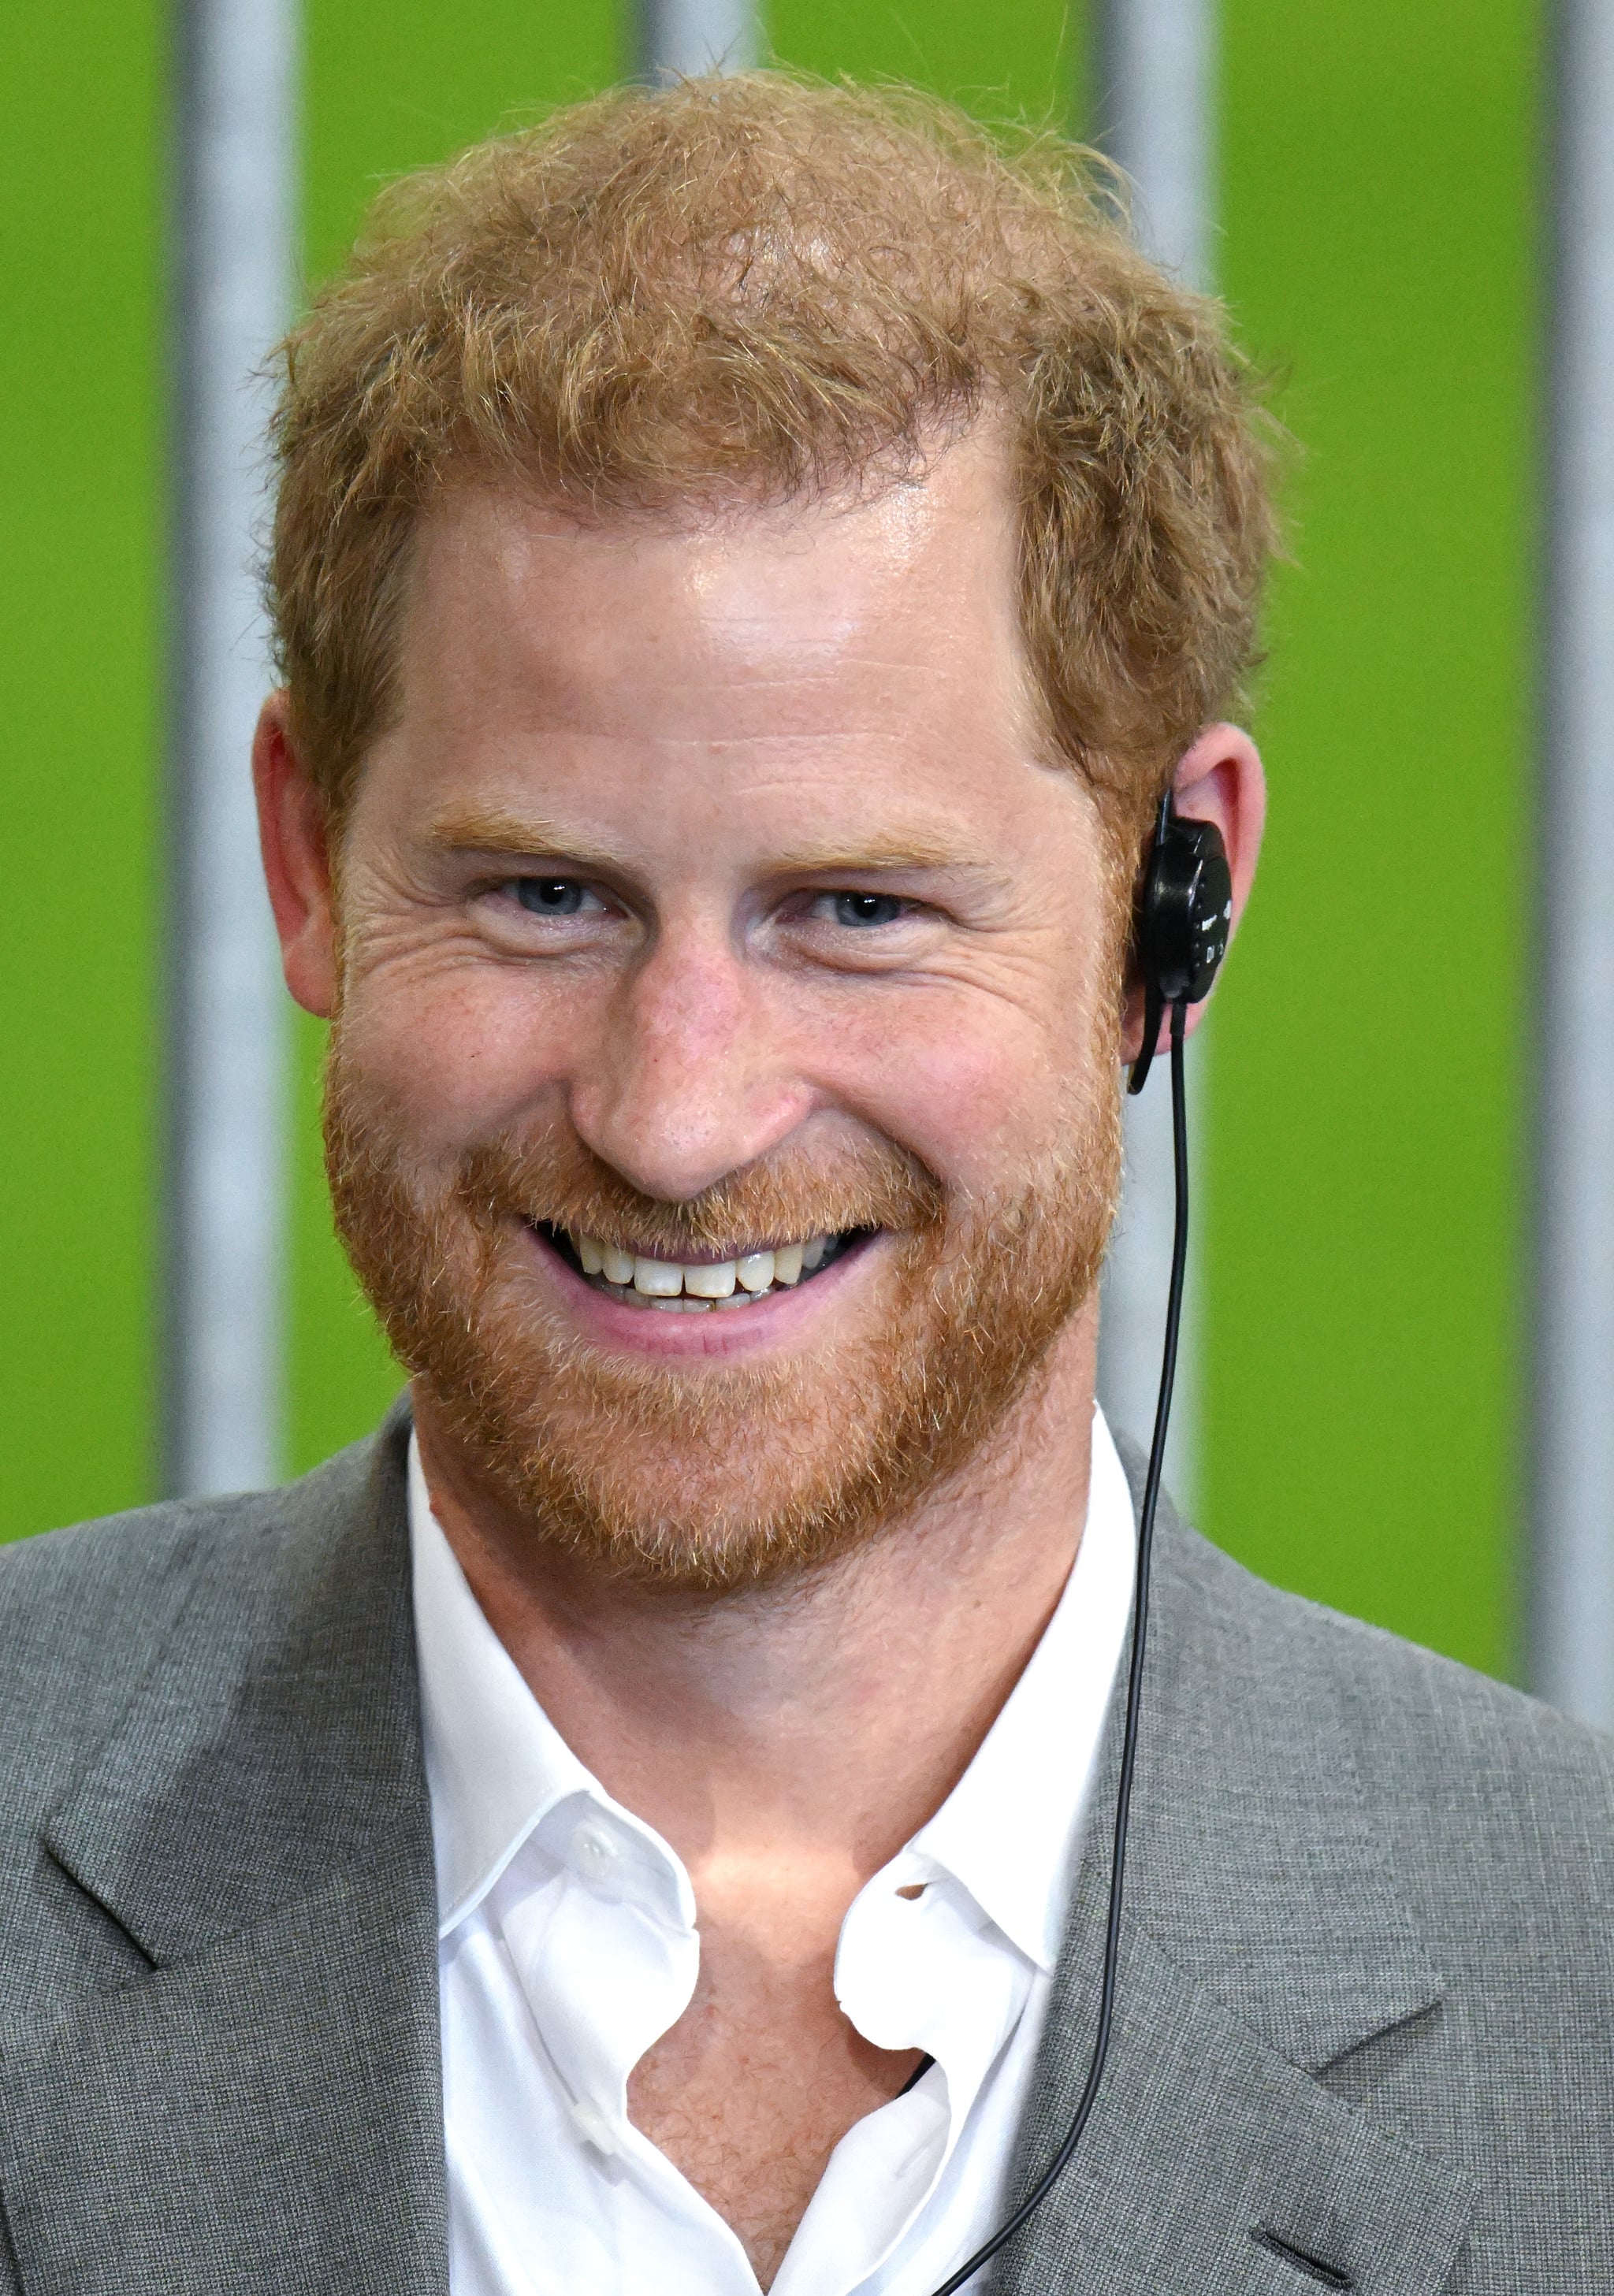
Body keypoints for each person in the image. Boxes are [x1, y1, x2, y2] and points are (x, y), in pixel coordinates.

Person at [1, 73, 1609, 2296]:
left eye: (855, 910)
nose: (679, 1113)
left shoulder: (1583, 2004)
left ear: (1177, 904)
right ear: (304, 861)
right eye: (547, 893)